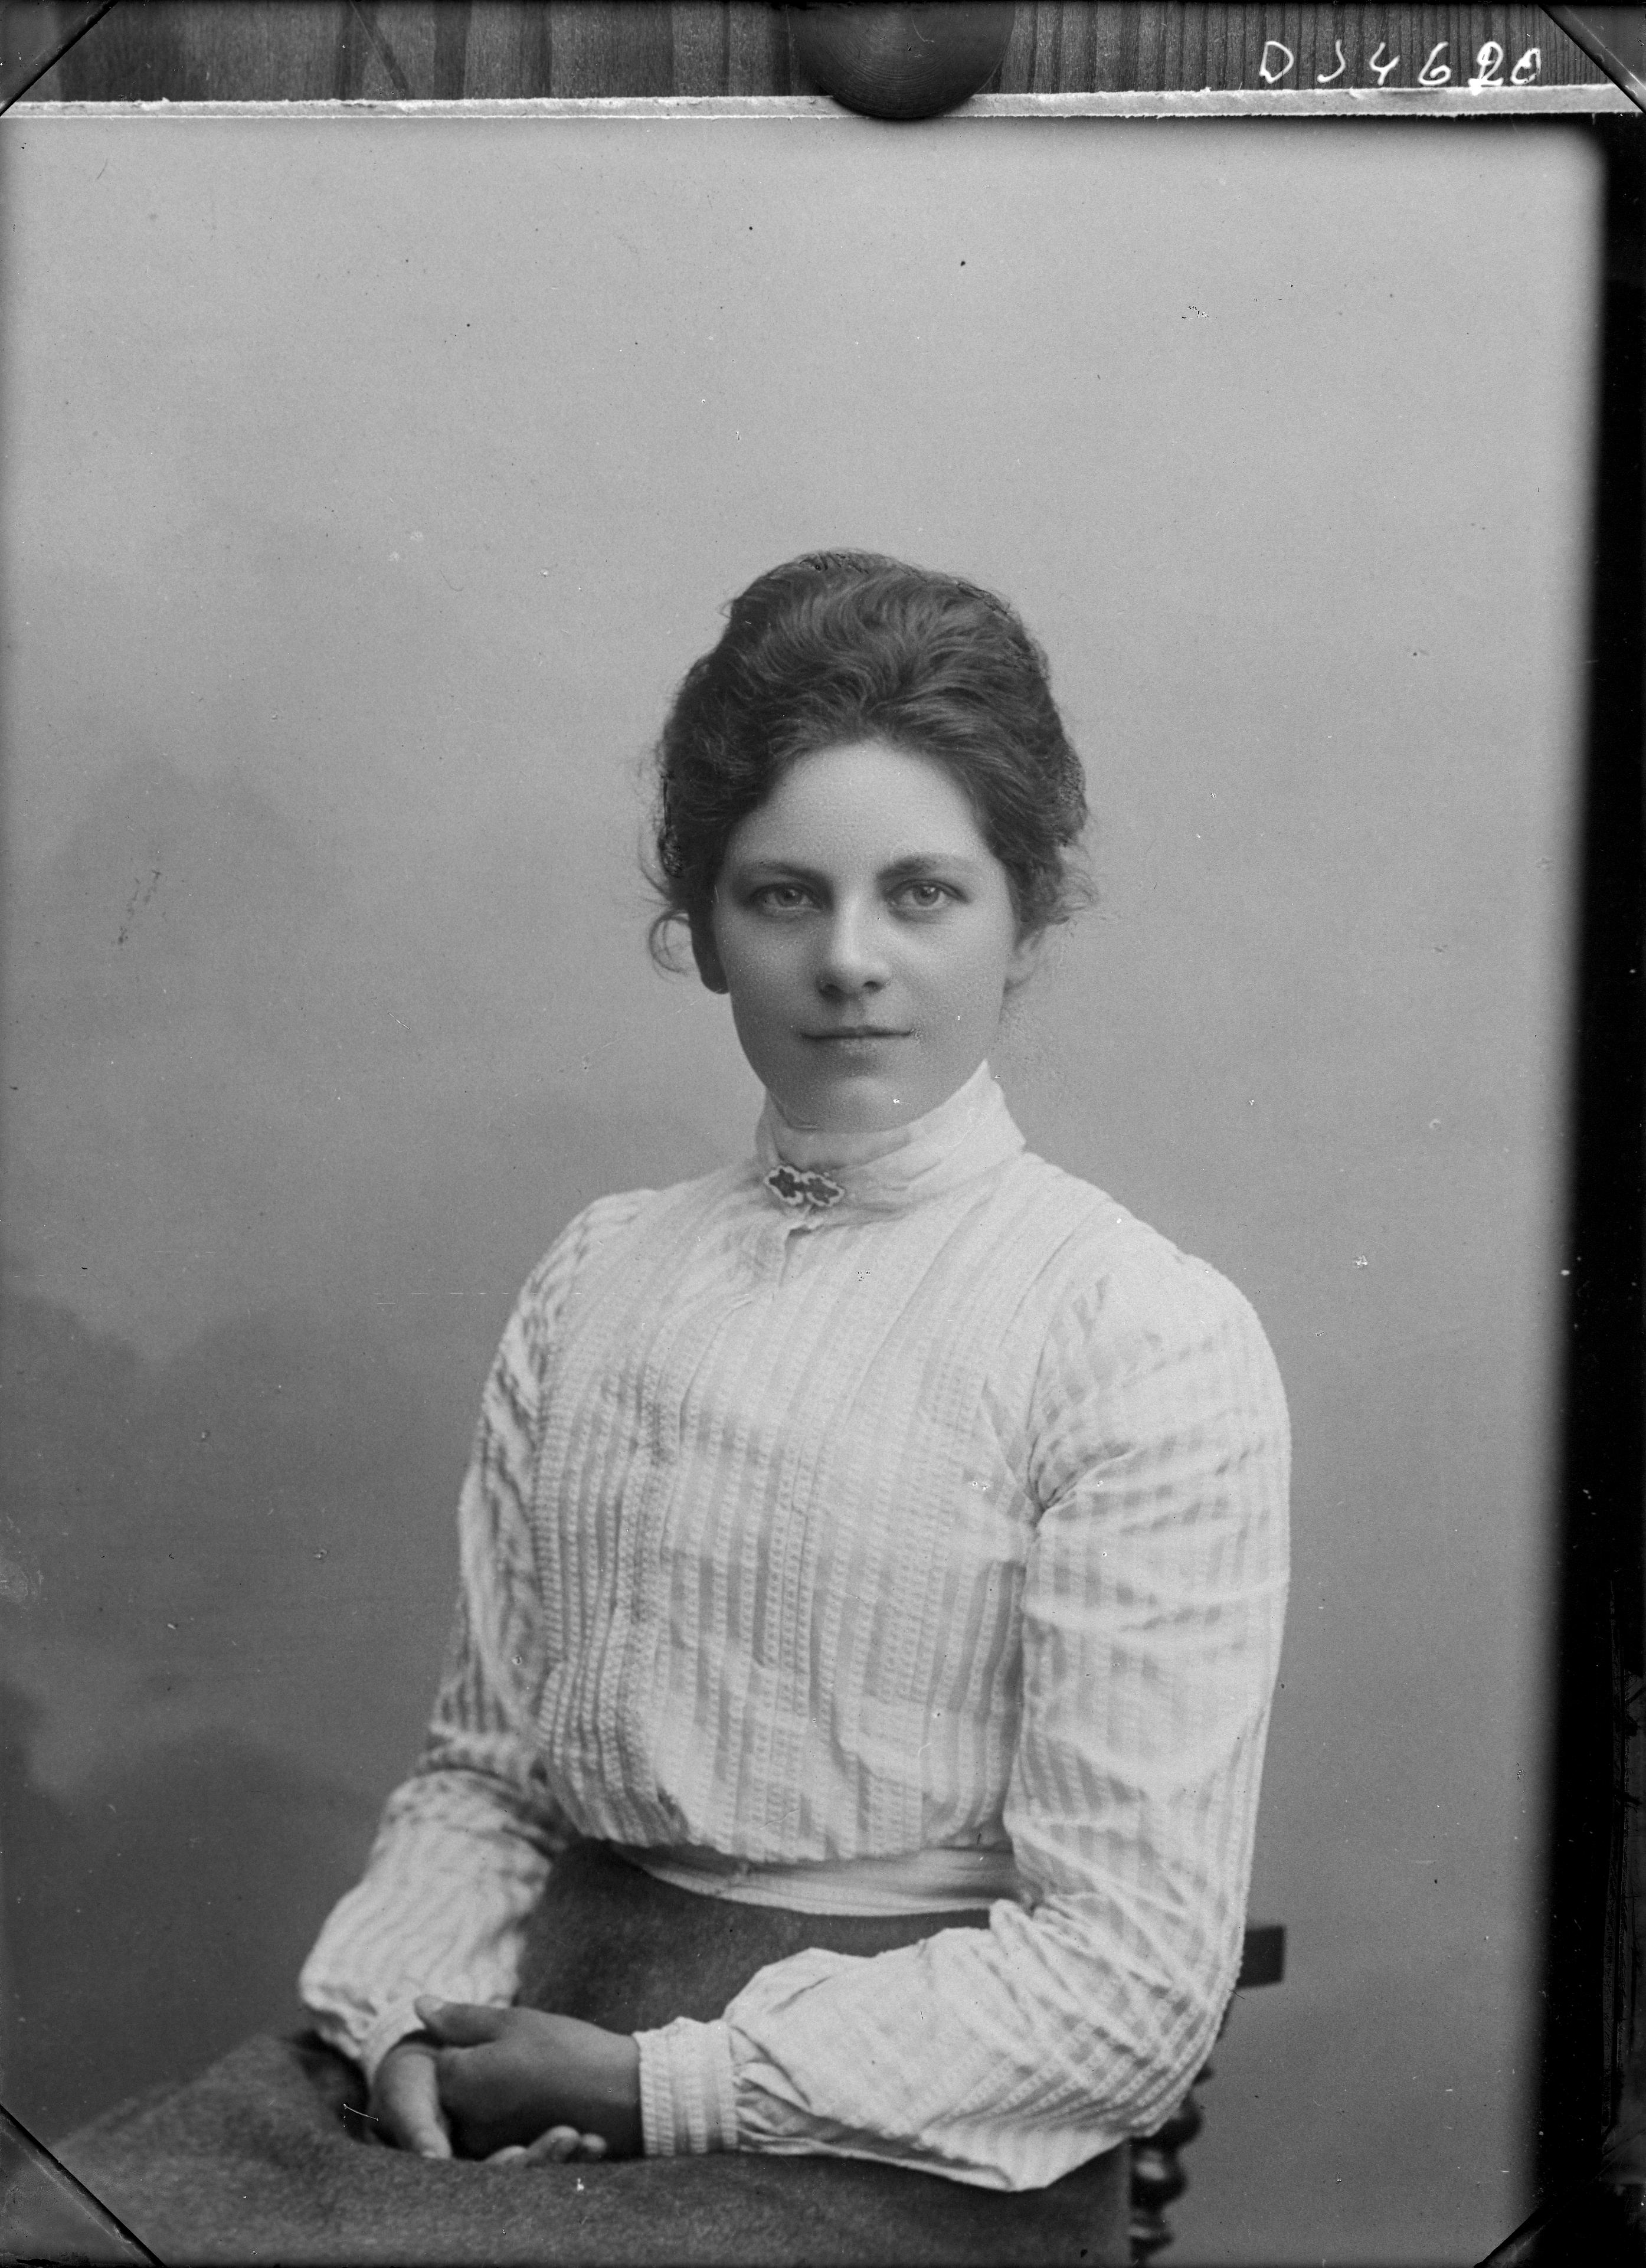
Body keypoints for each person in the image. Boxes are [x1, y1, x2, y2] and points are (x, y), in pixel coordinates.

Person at [73, 550, 1283, 2266]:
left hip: (900, 2136)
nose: (850, 961)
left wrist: (670, 2083)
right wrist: (409, 2028)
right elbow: (488, 1780)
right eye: (785, 894)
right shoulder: (599, 1278)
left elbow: (1133, 1978)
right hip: (524, 2047)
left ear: (1024, 917)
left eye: (924, 894)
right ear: (703, 926)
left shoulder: (1135, 1331)